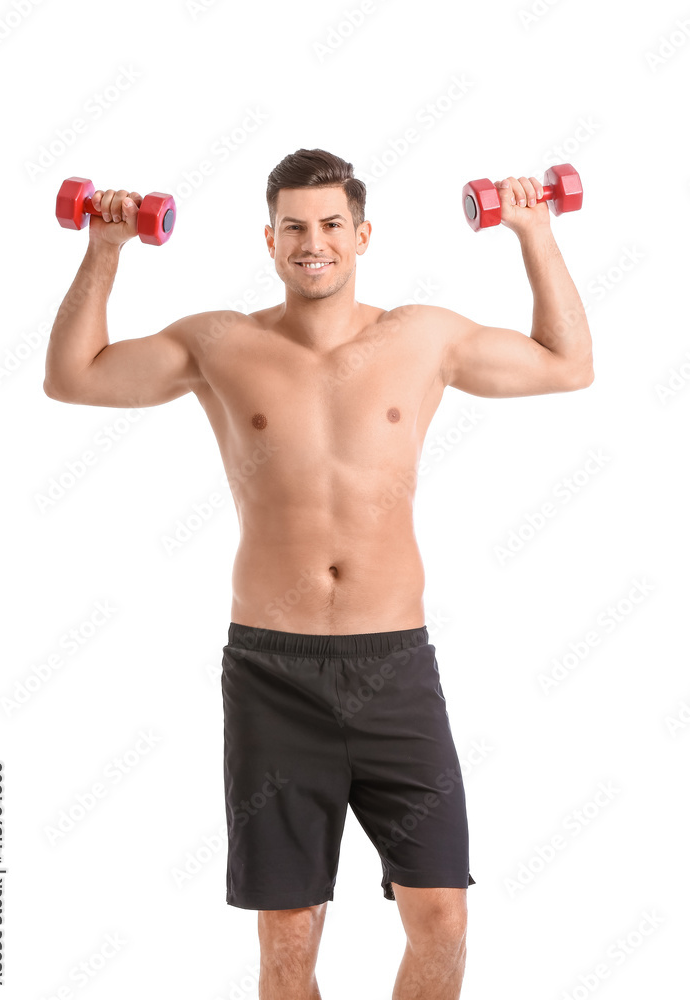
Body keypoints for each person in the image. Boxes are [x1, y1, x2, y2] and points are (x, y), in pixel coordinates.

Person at [44, 147, 593, 1000]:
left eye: (331, 224)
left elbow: (567, 364)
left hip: (394, 669)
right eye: (293, 227)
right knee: (289, 936)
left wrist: (533, 228)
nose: (313, 243)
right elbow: (72, 379)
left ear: (362, 234)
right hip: (273, 670)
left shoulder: (422, 335)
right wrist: (104, 250)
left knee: (441, 916)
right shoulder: (218, 342)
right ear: (267, 241)